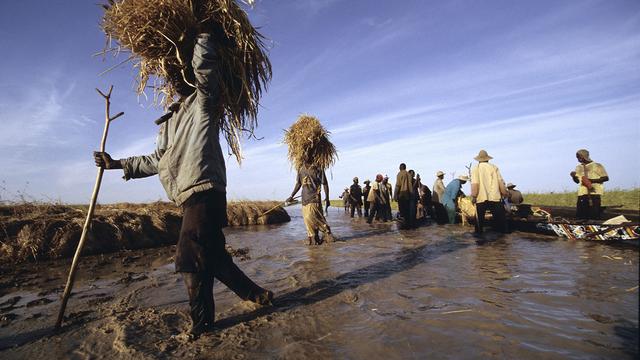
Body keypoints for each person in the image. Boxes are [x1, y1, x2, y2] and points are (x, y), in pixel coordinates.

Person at [93, 33, 272, 337]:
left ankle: (202, 327)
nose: (174, 83)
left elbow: (206, 74)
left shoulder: (203, 104)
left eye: (180, 75)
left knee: (189, 259)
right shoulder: (168, 123)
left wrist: (203, 37)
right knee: (214, 259)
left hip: (204, 190)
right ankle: (259, 297)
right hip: (188, 197)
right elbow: (157, 160)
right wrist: (117, 164)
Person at [287, 165, 335, 245]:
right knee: (308, 222)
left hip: (314, 198)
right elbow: (298, 184)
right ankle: (314, 243)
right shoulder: (300, 169)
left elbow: (325, 183)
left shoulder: (318, 168)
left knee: (312, 217)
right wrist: (291, 196)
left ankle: (326, 231)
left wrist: (327, 198)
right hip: (304, 199)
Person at [470, 150, 509, 234]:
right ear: (488, 159)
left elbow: (475, 184)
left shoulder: (475, 168)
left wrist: (474, 197)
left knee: (479, 222)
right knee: (500, 221)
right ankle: (502, 240)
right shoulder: (494, 167)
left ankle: (480, 241)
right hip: (495, 197)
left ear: (479, 159)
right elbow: (501, 183)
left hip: (481, 198)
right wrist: (504, 193)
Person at [570, 149, 609, 220]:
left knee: (594, 214)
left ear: (583, 156)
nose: (578, 159)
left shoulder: (597, 166)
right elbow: (577, 181)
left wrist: (591, 181)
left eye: (579, 157)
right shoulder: (578, 167)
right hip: (582, 193)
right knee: (581, 215)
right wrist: (573, 177)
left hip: (594, 193)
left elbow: (606, 178)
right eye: (577, 157)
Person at [394, 163, 414, 229]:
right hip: (409, 194)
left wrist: (395, 195)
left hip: (402, 195)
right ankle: (409, 225)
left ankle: (404, 226)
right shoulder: (409, 174)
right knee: (408, 211)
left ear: (400, 167)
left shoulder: (399, 174)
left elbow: (398, 185)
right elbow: (410, 185)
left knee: (402, 211)